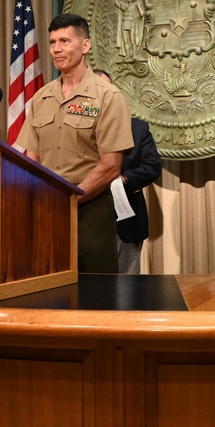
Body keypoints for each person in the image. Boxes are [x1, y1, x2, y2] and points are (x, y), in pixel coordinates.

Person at [16, 13, 133, 273]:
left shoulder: (108, 97)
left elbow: (111, 166)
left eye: (65, 41)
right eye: (53, 42)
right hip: (47, 212)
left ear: (85, 46)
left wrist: (69, 198)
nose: (56, 49)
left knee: (95, 297)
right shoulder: (41, 98)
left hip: (90, 211)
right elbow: (31, 158)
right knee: (46, 293)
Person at [94, 70, 162, 274]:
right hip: (86, 223)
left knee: (127, 291)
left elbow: (152, 167)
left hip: (126, 223)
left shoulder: (137, 129)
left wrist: (124, 179)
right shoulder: (74, 128)